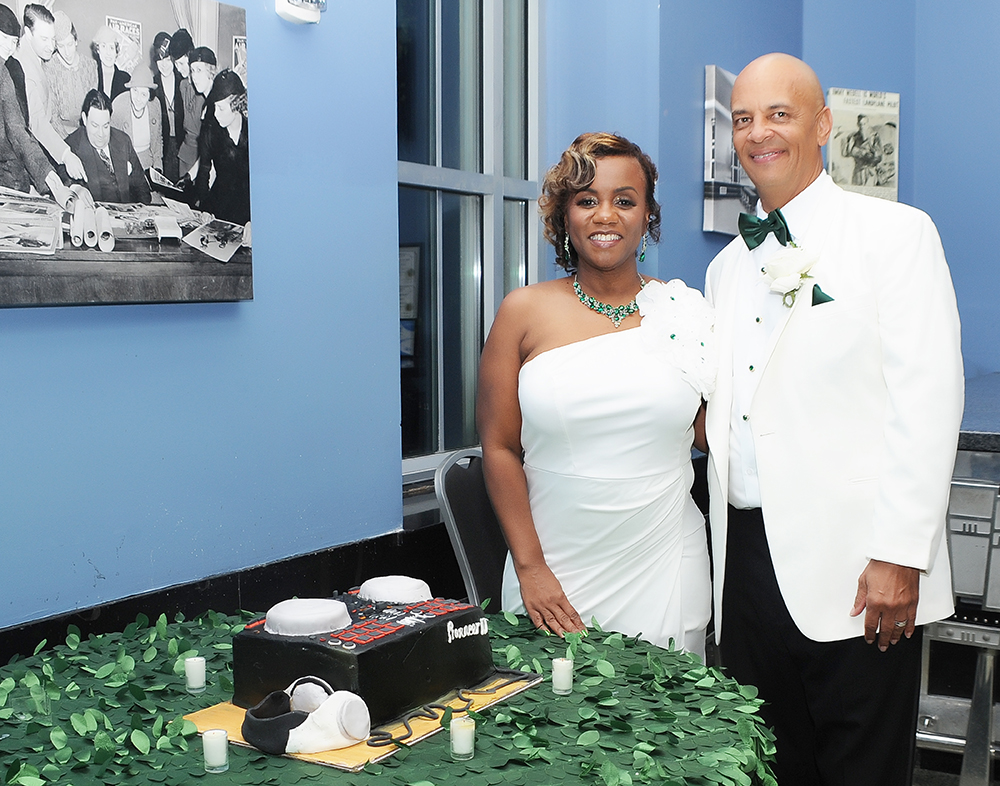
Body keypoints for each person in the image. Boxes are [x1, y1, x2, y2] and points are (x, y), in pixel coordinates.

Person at [704, 53, 963, 785]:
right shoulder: (726, 269)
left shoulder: (898, 234)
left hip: (861, 569)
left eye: (779, 114)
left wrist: (899, 553)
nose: (759, 133)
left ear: (822, 124)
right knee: (770, 768)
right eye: (744, 119)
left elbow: (929, 396)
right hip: (746, 567)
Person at [478, 132, 715, 657]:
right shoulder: (522, 312)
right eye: (587, 200)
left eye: (623, 201)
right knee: (551, 727)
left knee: (671, 725)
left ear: (647, 215)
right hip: (553, 567)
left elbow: (712, 433)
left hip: (664, 558)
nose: (604, 215)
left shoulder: (684, 311)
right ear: (564, 217)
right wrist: (531, 567)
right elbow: (498, 447)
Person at [0, 2, 69, 206]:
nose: (9, 48)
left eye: (13, 42)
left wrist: (45, 173)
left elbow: (17, 129)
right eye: (3, 39)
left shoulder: (5, 73)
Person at [12, 3, 85, 182]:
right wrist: (66, 155)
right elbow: (37, 121)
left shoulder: (36, 56)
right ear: (28, 34)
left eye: (53, 39)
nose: (50, 46)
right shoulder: (22, 66)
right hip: (25, 161)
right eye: (44, 39)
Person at [65, 89, 150, 203]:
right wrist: (74, 188)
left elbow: (142, 188)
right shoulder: (72, 146)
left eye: (106, 126)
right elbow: (61, 176)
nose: (101, 134)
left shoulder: (123, 141)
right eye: (95, 125)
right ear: (85, 119)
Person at [195, 69, 249, 224]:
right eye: (215, 107)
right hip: (219, 205)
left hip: (249, 209)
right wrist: (205, 209)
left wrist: (254, 221)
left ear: (237, 104)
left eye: (221, 109)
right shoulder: (210, 131)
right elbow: (204, 171)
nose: (216, 114)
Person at [43, 10, 95, 138]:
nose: (67, 52)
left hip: (87, 132)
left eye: (70, 44)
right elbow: (53, 117)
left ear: (76, 40)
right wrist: (68, 146)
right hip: (61, 134)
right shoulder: (49, 68)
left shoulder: (90, 65)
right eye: (61, 46)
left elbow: (93, 108)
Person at [111, 67, 161, 173]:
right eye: (135, 91)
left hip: (148, 163)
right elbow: (112, 143)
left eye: (144, 94)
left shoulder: (155, 105)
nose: (138, 98)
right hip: (126, 164)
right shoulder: (119, 105)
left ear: (150, 95)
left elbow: (157, 141)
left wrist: (158, 168)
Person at [177, 42, 211, 177]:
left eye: (199, 70)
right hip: (187, 152)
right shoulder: (183, 86)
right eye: (192, 71)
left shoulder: (216, 103)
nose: (194, 76)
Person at [151, 31, 181, 181]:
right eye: (160, 61)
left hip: (183, 145)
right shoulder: (153, 86)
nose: (164, 66)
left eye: (168, 60)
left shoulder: (183, 81)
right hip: (164, 146)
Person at [840, 113, 883, 186]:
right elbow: (845, 153)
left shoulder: (874, 136)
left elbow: (879, 155)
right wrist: (847, 145)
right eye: (860, 124)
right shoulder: (854, 137)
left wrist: (870, 155)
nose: (862, 126)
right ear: (857, 124)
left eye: (864, 124)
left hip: (870, 172)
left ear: (867, 124)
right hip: (858, 172)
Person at [92, 25, 126, 103]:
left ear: (116, 52)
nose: (108, 52)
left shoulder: (125, 79)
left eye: (111, 47)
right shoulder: (91, 75)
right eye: (103, 46)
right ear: (98, 49)